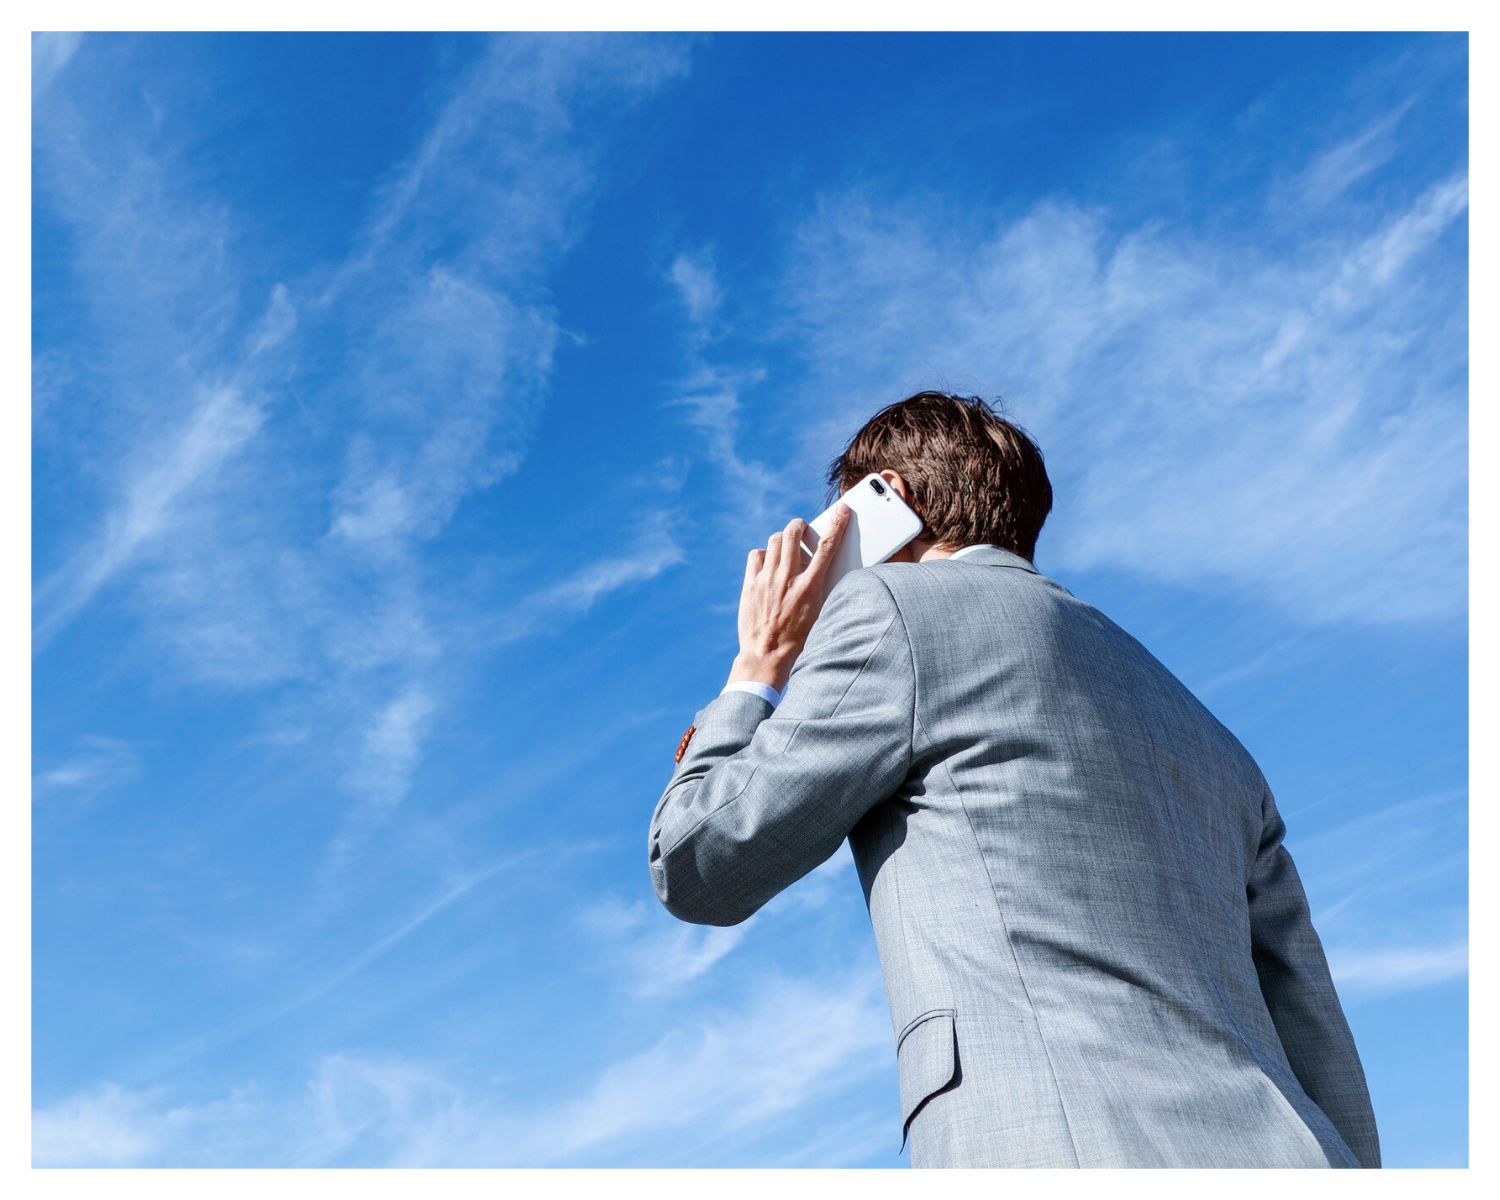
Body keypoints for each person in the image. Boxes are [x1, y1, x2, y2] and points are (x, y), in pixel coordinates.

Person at [647, 391, 1380, 1169]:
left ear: (885, 501)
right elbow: (1310, 1021)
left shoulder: (891, 609)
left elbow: (699, 862)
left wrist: (756, 671)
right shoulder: (1213, 738)